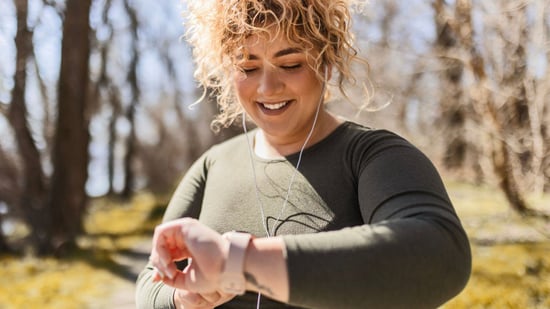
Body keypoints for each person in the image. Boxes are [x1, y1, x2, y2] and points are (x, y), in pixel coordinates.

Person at [136, 0, 472, 308]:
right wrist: (182, 297)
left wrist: (237, 262)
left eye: (290, 63)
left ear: (326, 63)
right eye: (248, 67)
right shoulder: (213, 164)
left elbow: (440, 253)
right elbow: (151, 280)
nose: (268, 88)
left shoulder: (373, 156)